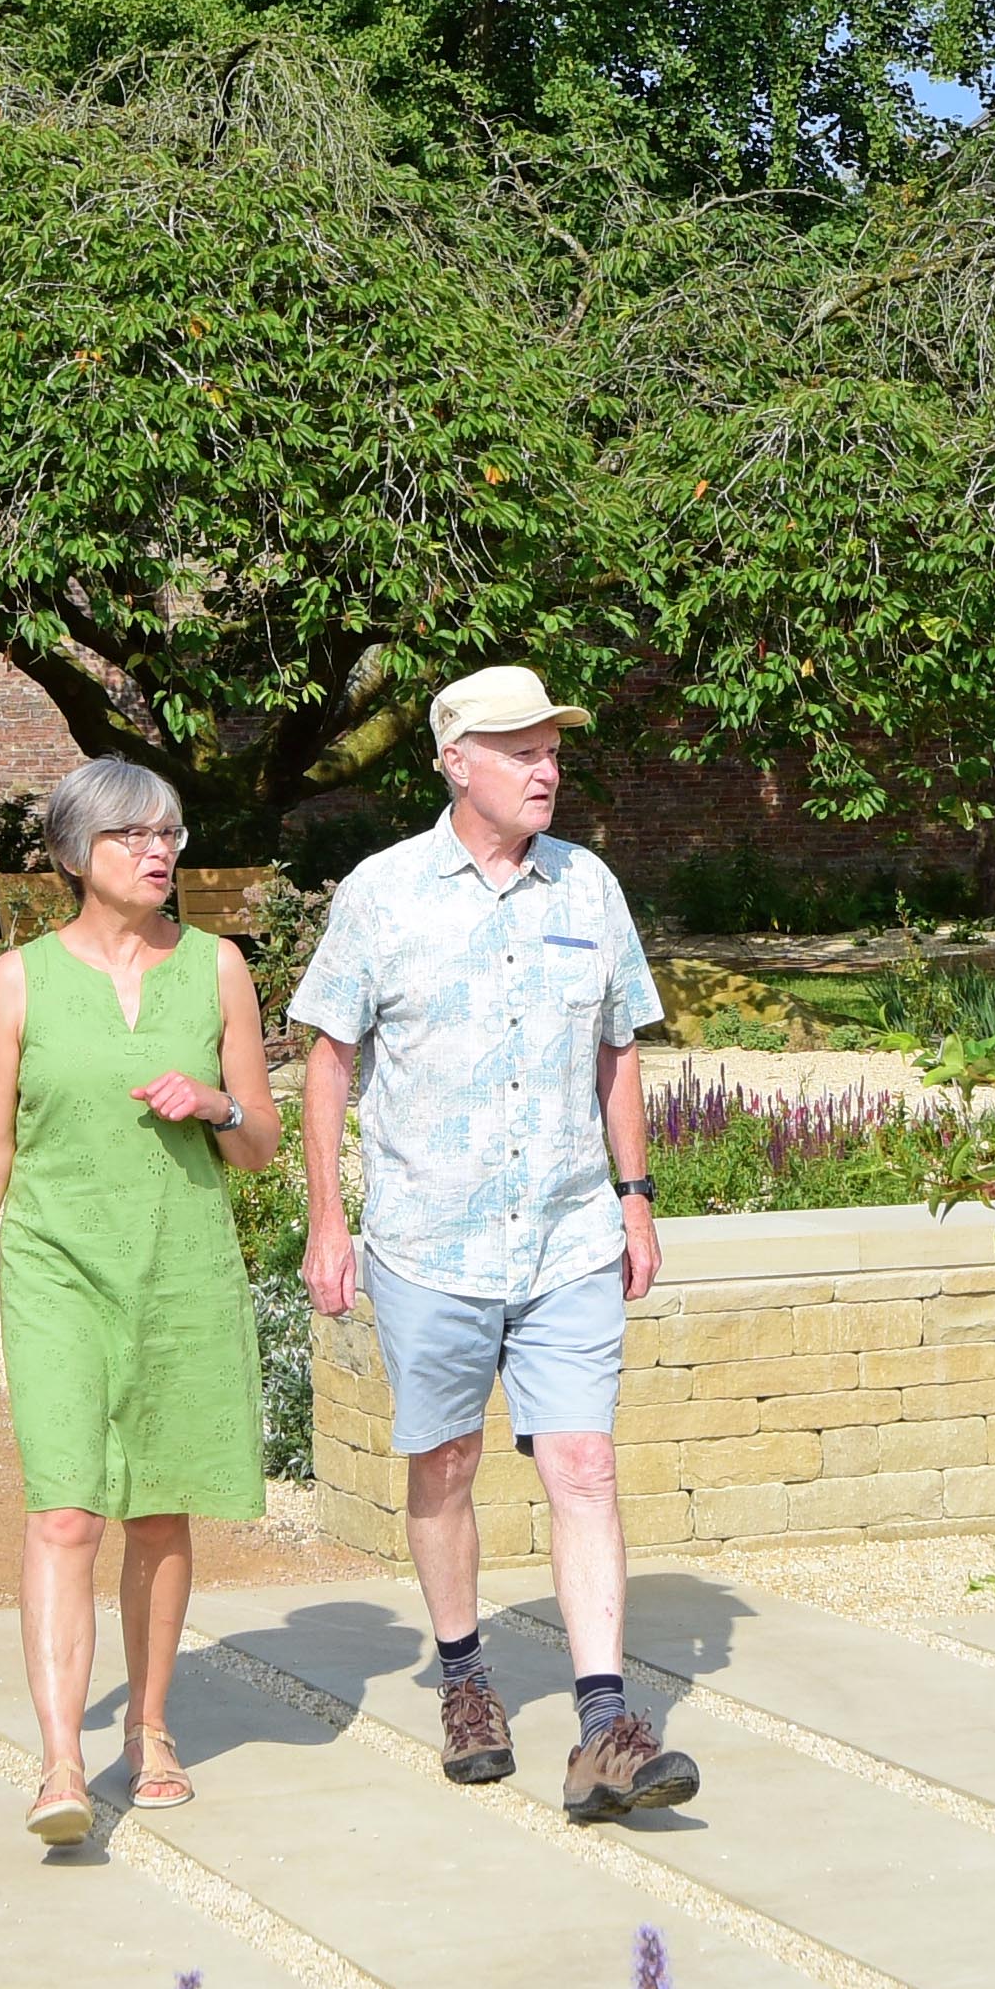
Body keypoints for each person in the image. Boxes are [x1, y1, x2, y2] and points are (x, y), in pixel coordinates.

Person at [291, 664, 696, 1821]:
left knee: (582, 1462)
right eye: (520, 750)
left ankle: (606, 1724)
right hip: (430, 1242)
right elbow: (327, 1058)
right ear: (455, 762)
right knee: (447, 1464)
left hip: (568, 1232)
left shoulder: (589, 888)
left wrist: (634, 1195)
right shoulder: (381, 893)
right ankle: (465, 1678)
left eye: (553, 749)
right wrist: (328, 1216)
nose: (546, 769)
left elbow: (618, 1049)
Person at [0, 756, 281, 1850]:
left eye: (170, 832)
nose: (160, 851)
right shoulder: (19, 980)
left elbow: (261, 1147)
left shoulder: (218, 968)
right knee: (66, 1508)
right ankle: (59, 1761)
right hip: (58, 1273)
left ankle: (152, 1726)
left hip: (180, 1268)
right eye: (135, 835)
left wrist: (215, 1100)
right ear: (79, 853)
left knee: (161, 1502)